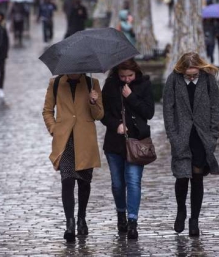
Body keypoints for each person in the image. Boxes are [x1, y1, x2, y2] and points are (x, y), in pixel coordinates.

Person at [162, 52, 219, 237]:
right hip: (181, 136)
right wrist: (173, 135)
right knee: (181, 176)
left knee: (197, 177)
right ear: (181, 70)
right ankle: (181, 210)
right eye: (188, 74)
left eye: (194, 74)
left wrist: (213, 135)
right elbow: (168, 109)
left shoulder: (208, 79)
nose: (191, 77)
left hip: (202, 137)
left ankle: (194, 219)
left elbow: (216, 107)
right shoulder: (173, 80)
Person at [42, 74, 104, 242]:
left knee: (84, 182)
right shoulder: (55, 84)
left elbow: (99, 115)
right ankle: (70, 222)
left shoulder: (93, 83)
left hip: (85, 140)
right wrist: (54, 129)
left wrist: (94, 101)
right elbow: (47, 111)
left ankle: (81, 218)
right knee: (67, 180)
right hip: (65, 141)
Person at [101, 58, 155, 240]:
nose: (126, 79)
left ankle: (133, 222)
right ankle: (121, 215)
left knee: (133, 181)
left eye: (129, 76)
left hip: (136, 143)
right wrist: (115, 124)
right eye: (122, 76)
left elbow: (149, 112)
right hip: (114, 144)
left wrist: (130, 97)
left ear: (136, 73)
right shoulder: (109, 86)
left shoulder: (144, 84)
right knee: (117, 184)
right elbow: (103, 114)